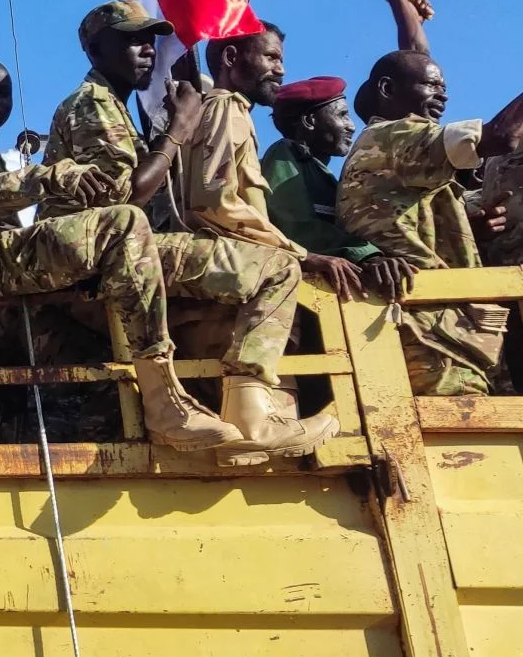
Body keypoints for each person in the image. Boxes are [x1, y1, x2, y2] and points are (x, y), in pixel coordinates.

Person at [42, 0, 326, 465]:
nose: (147, 50)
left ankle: (239, 421)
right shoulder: (92, 104)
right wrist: (178, 128)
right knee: (278, 268)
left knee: (225, 300)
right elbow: (127, 200)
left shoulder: (112, 105)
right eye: (131, 40)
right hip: (96, 256)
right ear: (94, 50)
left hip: (108, 253)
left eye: (149, 39)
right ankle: (252, 417)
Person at [0, 58, 240, 450]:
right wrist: (55, 175)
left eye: (4, 93)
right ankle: (161, 394)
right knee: (122, 223)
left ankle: (13, 424)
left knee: (95, 364)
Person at [337, 49, 523, 395]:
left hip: (439, 330)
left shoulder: (395, 149)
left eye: (444, 87)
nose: (443, 95)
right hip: (431, 335)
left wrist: (468, 231)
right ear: (388, 89)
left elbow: (405, 222)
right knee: (464, 428)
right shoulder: (392, 136)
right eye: (432, 85)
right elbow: (501, 136)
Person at [186, 23, 366, 300]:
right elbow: (216, 203)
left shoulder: (230, 112)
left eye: (280, 60)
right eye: (271, 57)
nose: (280, 70)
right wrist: (301, 255)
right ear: (230, 58)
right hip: (226, 264)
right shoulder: (226, 107)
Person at [262, 75, 419, 297]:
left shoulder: (320, 173)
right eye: (342, 115)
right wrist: (366, 255)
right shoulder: (284, 154)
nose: (351, 126)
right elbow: (294, 224)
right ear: (309, 121)